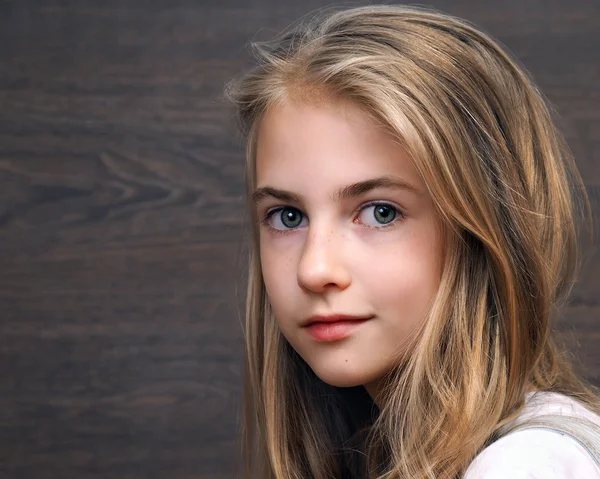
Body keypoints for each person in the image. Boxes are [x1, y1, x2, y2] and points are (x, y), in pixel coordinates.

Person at [225, 5, 600, 478]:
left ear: (484, 230)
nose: (314, 269)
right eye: (288, 216)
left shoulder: (525, 466)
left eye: (381, 213)